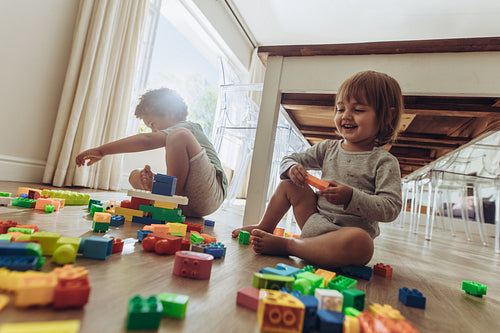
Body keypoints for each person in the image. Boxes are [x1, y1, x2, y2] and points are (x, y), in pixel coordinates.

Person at [232, 70, 404, 268]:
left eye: (358, 110)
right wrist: (292, 168)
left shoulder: (384, 162)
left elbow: (390, 208)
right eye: (340, 109)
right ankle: (266, 227)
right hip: (314, 221)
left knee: (363, 243)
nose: (346, 116)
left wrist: (351, 197)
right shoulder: (328, 148)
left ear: (387, 116)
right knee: (290, 185)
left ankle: (289, 246)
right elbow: (289, 158)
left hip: (345, 238)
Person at [76, 88, 228, 217]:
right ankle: (165, 197)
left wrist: (102, 151)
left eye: (152, 124)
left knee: (178, 135)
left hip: (210, 193)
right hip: (186, 202)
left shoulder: (187, 127)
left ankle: (167, 201)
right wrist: (153, 181)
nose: (153, 130)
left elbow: (147, 140)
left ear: (170, 113)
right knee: (134, 175)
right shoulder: (175, 138)